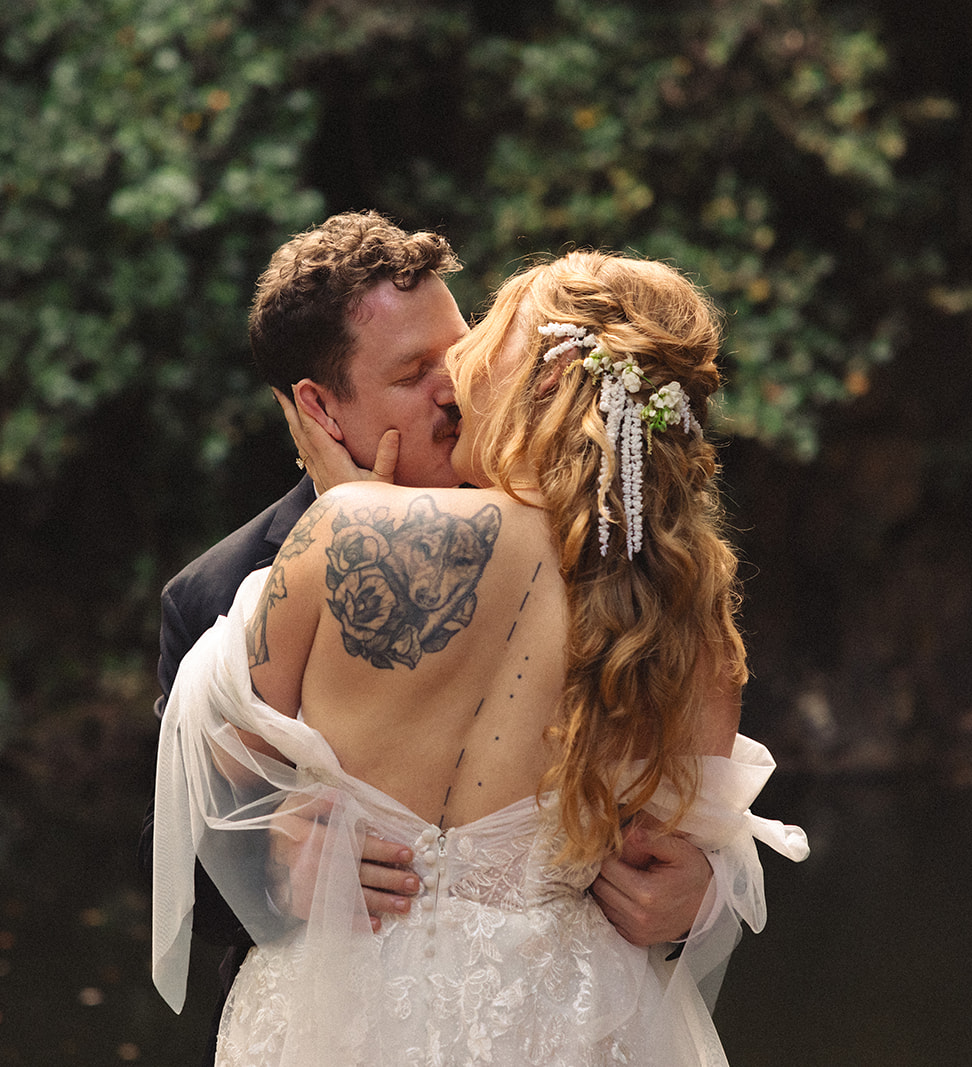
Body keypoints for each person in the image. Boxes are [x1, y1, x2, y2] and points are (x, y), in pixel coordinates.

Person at [152, 249, 809, 1064]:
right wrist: (276, 859)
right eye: (416, 367)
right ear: (323, 405)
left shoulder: (341, 530)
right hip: (570, 1023)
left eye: (476, 337)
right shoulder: (683, 611)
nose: (457, 372)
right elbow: (677, 810)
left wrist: (698, 897)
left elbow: (214, 743)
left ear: (537, 379)